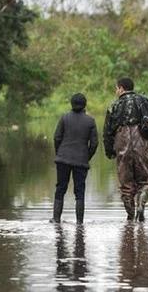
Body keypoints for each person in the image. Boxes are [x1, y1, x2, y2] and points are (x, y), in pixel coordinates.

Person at [103, 77, 148, 222]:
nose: (116, 91)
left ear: (121, 88)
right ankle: (141, 205)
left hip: (121, 141)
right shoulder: (145, 101)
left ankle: (130, 217)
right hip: (141, 141)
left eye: (116, 88)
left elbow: (107, 131)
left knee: (126, 184)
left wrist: (109, 151)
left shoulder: (114, 106)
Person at [51, 93, 99, 224]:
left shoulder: (64, 118)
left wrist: (59, 153)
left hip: (62, 159)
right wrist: (86, 157)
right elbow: (94, 144)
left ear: (71, 104)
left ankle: (56, 219)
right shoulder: (90, 121)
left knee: (60, 188)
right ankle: (79, 222)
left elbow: (56, 138)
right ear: (85, 105)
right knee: (80, 191)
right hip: (81, 161)